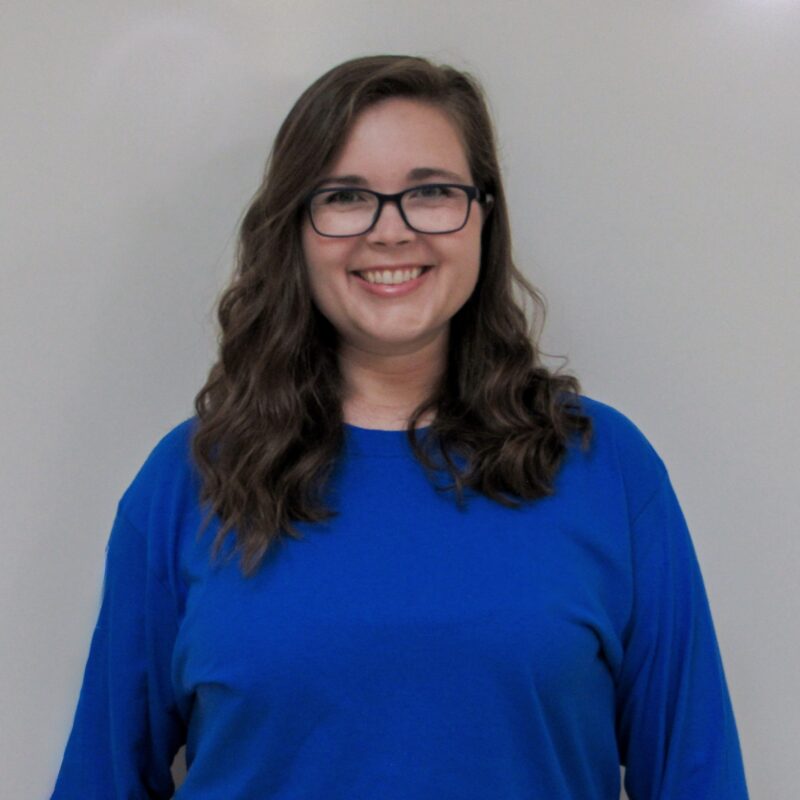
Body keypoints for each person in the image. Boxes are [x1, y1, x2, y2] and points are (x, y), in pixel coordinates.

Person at [51, 54, 749, 799]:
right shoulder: (188, 481)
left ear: (484, 215)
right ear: (296, 228)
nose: (391, 232)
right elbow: (101, 781)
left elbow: (698, 779)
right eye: (346, 196)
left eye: (432, 192)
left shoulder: (604, 469)